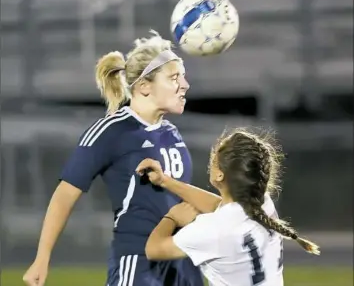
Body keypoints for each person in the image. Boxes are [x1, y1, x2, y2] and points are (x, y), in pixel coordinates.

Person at [22, 31, 212, 286]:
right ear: (144, 86)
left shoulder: (171, 133)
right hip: (139, 262)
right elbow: (65, 194)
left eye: (183, 77)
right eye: (174, 77)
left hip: (182, 263)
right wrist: (42, 257)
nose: (185, 85)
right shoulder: (112, 130)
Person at [136, 128, 320, 286]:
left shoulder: (211, 229)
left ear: (219, 175)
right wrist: (165, 181)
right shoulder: (263, 203)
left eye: (214, 160)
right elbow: (221, 207)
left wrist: (172, 217)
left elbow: (154, 249)